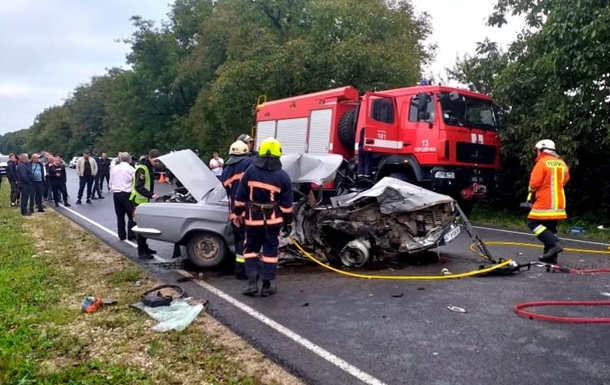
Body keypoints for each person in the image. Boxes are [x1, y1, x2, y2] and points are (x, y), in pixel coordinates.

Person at [233, 137, 293, 297]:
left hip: (253, 220)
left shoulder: (250, 172)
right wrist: (288, 223)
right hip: (273, 222)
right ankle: (267, 286)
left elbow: (240, 198)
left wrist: (237, 215)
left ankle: (252, 283)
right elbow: (287, 206)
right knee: (270, 252)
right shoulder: (283, 176)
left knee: (251, 250)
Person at [527, 139, 570, 264]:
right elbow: (564, 180)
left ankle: (554, 245)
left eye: (537, 151)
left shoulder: (542, 163)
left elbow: (534, 183)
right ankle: (550, 260)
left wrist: (531, 195)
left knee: (532, 222)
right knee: (550, 228)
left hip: (545, 201)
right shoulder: (562, 163)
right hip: (559, 202)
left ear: (542, 150)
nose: (537, 153)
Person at [221, 141, 254, 280]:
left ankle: (239, 268)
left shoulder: (227, 167)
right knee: (249, 241)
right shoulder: (248, 163)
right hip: (247, 210)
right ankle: (245, 270)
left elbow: (225, 185)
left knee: (239, 240)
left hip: (234, 211)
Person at [130, 149, 161, 259]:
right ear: (149, 157)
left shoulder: (148, 166)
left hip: (143, 200)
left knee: (145, 225)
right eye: (155, 161)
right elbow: (138, 186)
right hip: (138, 200)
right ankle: (141, 251)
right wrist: (151, 195)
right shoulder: (142, 168)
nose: (157, 163)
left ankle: (145, 247)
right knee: (140, 227)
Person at [110, 152, 136, 241]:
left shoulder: (114, 168)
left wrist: (112, 189)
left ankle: (121, 235)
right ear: (129, 159)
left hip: (116, 193)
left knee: (119, 215)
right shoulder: (131, 169)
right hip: (127, 193)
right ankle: (131, 234)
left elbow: (111, 180)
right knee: (131, 215)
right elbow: (134, 181)